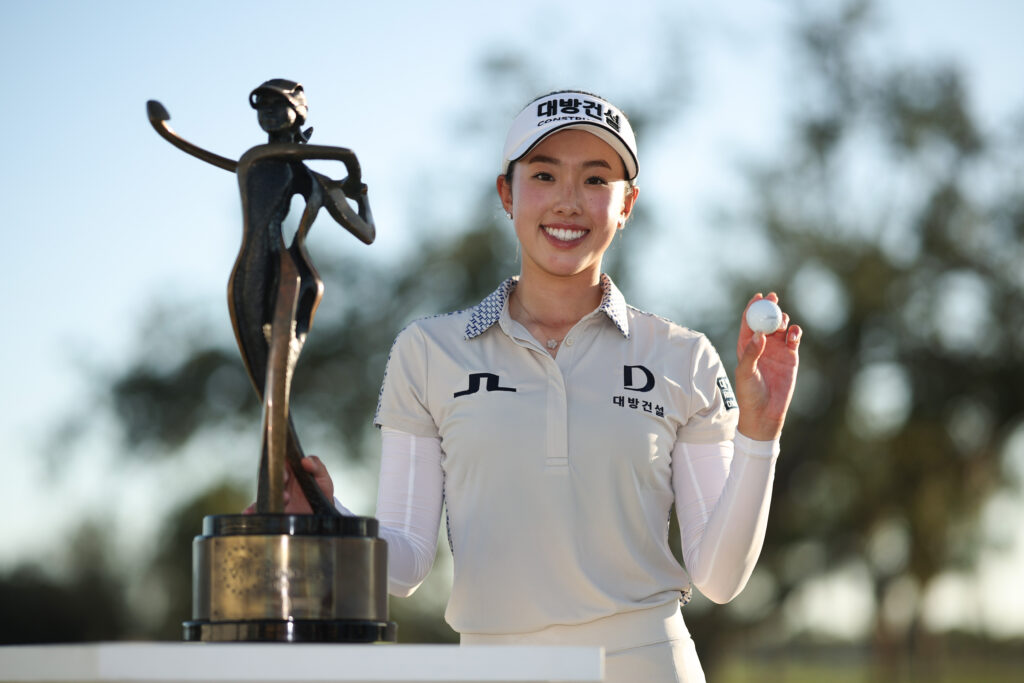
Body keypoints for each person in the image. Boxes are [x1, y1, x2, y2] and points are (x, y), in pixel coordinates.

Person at [284, 89, 802, 682]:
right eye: (544, 174)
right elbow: (402, 567)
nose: (567, 202)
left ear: (627, 203)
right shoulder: (428, 352)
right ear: (507, 193)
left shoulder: (684, 356)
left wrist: (760, 436)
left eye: (595, 180)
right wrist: (329, 518)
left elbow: (720, 577)